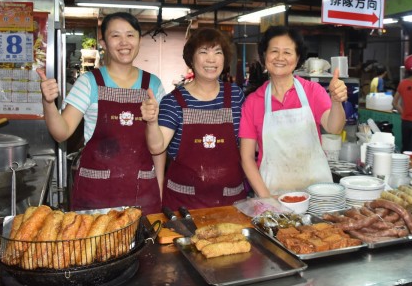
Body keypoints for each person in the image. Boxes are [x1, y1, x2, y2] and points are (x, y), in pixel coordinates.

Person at [37, 12, 166, 214]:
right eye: (115, 36)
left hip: (142, 193)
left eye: (130, 35)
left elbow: (158, 148)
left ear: (139, 40)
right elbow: (61, 132)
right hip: (96, 196)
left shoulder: (153, 85)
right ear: (103, 43)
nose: (124, 42)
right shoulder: (89, 82)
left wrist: (158, 189)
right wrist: (48, 103)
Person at [141, 28, 247, 209]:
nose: (211, 59)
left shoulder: (236, 95)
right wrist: (151, 122)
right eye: (203, 52)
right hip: (184, 203)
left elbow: (248, 145)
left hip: (231, 203)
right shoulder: (174, 101)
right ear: (191, 58)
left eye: (218, 52)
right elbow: (157, 146)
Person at [239, 26, 347, 197]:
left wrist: (336, 102)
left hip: (318, 194)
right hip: (272, 193)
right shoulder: (253, 102)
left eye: (288, 52)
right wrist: (267, 198)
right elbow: (246, 158)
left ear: (297, 58)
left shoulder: (313, 91)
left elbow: (334, 128)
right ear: (264, 55)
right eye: (274, 51)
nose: (280, 58)